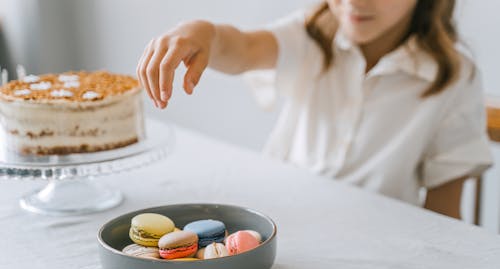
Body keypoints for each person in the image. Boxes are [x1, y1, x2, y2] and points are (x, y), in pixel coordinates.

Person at [136, 0, 492, 219]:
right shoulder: (311, 35)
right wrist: (200, 32)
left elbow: (445, 211)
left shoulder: (452, 77)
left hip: (381, 246)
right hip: (286, 222)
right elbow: (241, 48)